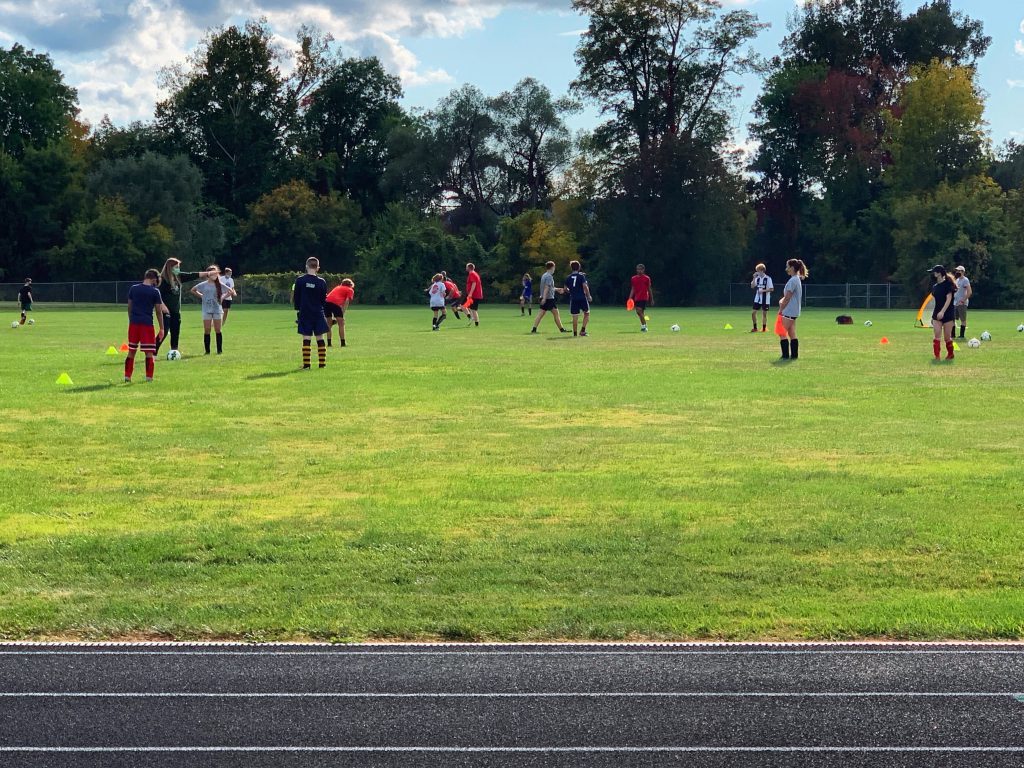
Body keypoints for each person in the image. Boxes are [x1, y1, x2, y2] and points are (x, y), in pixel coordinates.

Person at [155, 258, 211, 355]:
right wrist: (163, 307)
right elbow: (157, 295)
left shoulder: (179, 277)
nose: (178, 269)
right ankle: (153, 352)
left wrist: (208, 273)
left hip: (176, 311)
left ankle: (174, 351)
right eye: (176, 267)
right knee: (164, 331)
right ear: (170, 267)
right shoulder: (163, 280)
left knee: (175, 331)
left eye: (179, 267)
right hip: (166, 311)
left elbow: (192, 275)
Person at [124, 269, 167, 383]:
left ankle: (127, 376)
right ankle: (149, 377)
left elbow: (129, 306)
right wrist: (162, 328)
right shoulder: (155, 292)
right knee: (149, 352)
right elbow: (158, 311)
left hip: (134, 323)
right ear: (153, 279)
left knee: (131, 350)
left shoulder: (133, 288)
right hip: (147, 324)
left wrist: (131, 320)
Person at [190, 265, 236, 355]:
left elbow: (231, 291)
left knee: (218, 329)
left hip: (217, 310)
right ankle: (207, 351)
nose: (215, 275)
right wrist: (202, 296)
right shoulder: (203, 285)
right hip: (206, 310)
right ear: (208, 274)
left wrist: (223, 297)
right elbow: (193, 290)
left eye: (216, 273)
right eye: (213, 273)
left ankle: (219, 350)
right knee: (207, 330)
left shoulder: (220, 285)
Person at [293, 257, 329, 369]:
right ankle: (322, 364)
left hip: (305, 312)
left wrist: (298, 309)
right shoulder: (321, 282)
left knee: (306, 338)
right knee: (320, 337)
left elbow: (296, 297)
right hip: (318, 312)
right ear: (318, 268)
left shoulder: (300, 280)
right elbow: (324, 299)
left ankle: (306, 364)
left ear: (306, 266)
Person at [777, 258, 808, 360]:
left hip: (789, 311)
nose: (786, 269)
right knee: (792, 333)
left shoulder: (793, 280)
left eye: (788, 267)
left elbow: (787, 297)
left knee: (781, 333)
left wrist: (781, 309)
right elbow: (788, 296)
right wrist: (782, 300)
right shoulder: (796, 279)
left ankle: (785, 356)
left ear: (792, 268)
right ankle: (794, 355)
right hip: (794, 311)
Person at [530, 261, 570, 334]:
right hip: (549, 298)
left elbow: (550, 287)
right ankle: (562, 329)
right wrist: (545, 298)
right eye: (554, 267)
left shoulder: (544, 275)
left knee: (541, 314)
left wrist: (557, 289)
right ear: (552, 267)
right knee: (556, 313)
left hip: (544, 297)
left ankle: (534, 329)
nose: (554, 269)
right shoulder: (549, 276)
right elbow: (546, 287)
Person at [928, 264, 957, 360]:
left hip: (948, 313)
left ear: (939, 273)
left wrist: (942, 312)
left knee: (947, 337)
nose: (932, 274)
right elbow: (935, 300)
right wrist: (934, 316)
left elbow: (949, 299)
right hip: (937, 313)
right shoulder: (935, 286)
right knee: (937, 334)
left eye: (934, 272)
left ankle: (950, 354)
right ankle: (937, 356)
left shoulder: (948, 284)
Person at [564, 260, 592, 337]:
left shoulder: (568, 277)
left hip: (573, 298)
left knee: (575, 316)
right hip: (582, 297)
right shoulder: (581, 276)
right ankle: (582, 331)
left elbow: (565, 289)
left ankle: (575, 334)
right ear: (579, 267)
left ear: (571, 268)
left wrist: (571, 291)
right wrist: (589, 295)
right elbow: (585, 286)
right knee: (587, 313)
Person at [324, 278, 355, 347]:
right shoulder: (350, 290)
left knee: (329, 324)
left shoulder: (338, 287)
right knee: (341, 323)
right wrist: (343, 313)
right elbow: (347, 301)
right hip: (335, 304)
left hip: (326, 303)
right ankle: (343, 343)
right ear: (351, 285)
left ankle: (329, 343)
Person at [628, 264, 653, 332]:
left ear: (643, 270)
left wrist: (651, 298)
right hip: (637, 297)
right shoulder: (633, 278)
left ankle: (644, 326)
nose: (639, 271)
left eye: (640, 269)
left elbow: (649, 288)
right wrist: (630, 298)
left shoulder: (647, 278)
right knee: (640, 312)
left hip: (644, 297)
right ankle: (643, 326)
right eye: (638, 269)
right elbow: (633, 288)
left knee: (638, 311)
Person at [750, 264, 773, 333]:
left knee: (764, 314)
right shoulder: (757, 278)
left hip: (765, 299)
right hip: (757, 299)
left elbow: (771, 289)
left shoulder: (768, 279)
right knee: (753, 313)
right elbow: (752, 286)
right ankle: (755, 328)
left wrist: (763, 291)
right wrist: (754, 278)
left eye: (758, 271)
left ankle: (764, 328)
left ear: (762, 271)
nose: (757, 272)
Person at [953, 265, 972, 339]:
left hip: (962, 303)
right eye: (957, 270)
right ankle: (953, 335)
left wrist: (963, 300)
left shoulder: (965, 280)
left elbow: (969, 292)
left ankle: (961, 335)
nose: (957, 272)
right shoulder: (957, 280)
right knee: (952, 319)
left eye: (959, 271)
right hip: (955, 302)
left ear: (963, 272)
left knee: (963, 319)